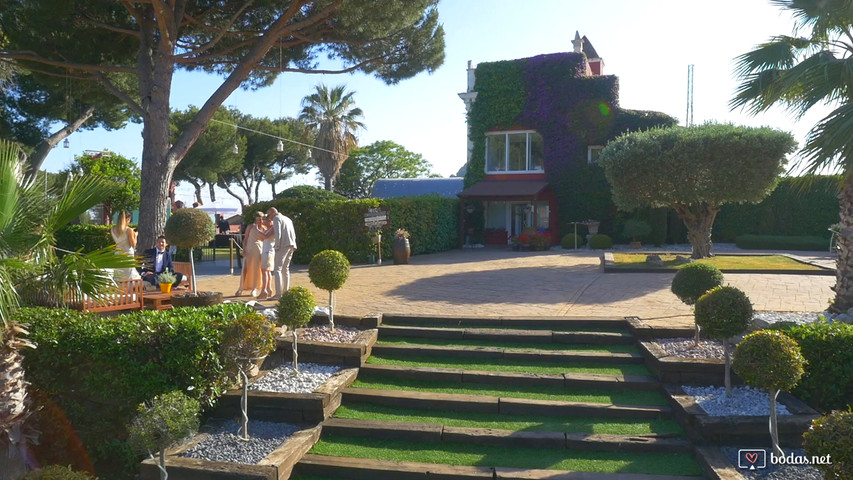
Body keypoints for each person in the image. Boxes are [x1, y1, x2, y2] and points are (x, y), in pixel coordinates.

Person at [234, 212, 271, 297]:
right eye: (257, 219)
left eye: (260, 219)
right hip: (250, 249)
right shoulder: (251, 227)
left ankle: (255, 287)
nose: (259, 221)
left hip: (259, 249)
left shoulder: (264, 228)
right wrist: (244, 249)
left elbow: (266, 239)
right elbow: (246, 239)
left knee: (257, 269)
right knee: (246, 268)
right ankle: (241, 288)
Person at [266, 207, 297, 301]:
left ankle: (278, 294)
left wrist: (277, 246)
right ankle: (285, 292)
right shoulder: (287, 219)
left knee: (278, 269)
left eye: (268, 215)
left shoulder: (276, 218)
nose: (268, 218)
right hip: (291, 244)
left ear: (272, 213)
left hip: (283, 244)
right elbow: (293, 233)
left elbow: (277, 232)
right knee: (285, 269)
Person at [110, 211, 141, 280]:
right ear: (127, 219)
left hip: (118, 254)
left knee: (119, 276)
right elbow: (133, 244)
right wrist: (135, 235)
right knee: (128, 276)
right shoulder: (128, 230)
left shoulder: (112, 229)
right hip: (127, 254)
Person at [258, 216, 275, 299]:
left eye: (267, 221)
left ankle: (264, 290)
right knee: (267, 271)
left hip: (268, 251)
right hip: (267, 251)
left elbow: (265, 236)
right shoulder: (268, 229)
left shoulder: (272, 228)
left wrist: (257, 230)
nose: (266, 223)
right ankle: (268, 288)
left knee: (265, 271)